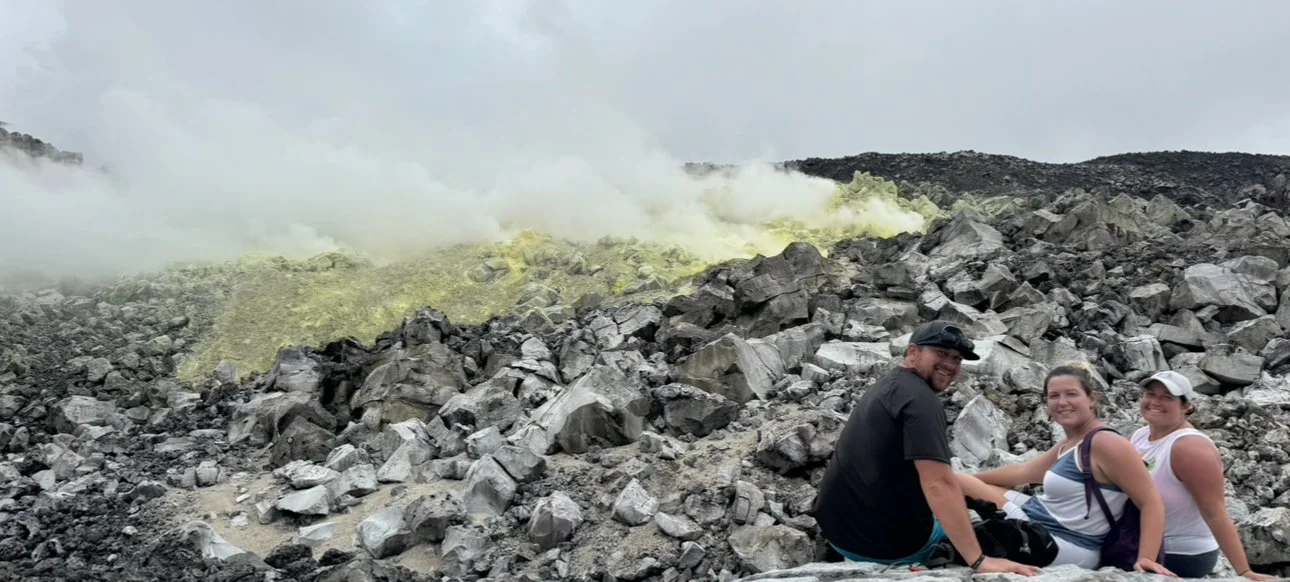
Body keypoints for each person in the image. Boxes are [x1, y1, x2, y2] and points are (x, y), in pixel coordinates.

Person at [813, 320, 1039, 576]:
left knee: (955, 485)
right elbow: (938, 484)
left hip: (837, 530)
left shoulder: (888, 385)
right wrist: (979, 561)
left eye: (956, 358)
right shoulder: (921, 402)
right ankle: (955, 548)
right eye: (941, 354)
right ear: (912, 353)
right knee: (963, 505)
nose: (950, 365)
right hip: (883, 547)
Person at [953, 363, 1175, 575]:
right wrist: (970, 479)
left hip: (1065, 541)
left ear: (1091, 399)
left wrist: (1146, 558)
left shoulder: (1105, 442)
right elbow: (1024, 472)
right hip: (1039, 516)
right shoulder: (1074, 441)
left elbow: (1150, 501)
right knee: (955, 482)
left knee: (951, 485)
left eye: (1071, 394)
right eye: (1054, 396)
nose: (1062, 402)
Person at [1130, 371, 1275, 580]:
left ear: (1186, 406)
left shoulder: (1189, 447)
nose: (1155, 402)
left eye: (1167, 398)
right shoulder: (1140, 435)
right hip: (1142, 541)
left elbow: (1215, 512)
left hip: (1179, 552)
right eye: (1150, 394)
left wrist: (1244, 572)